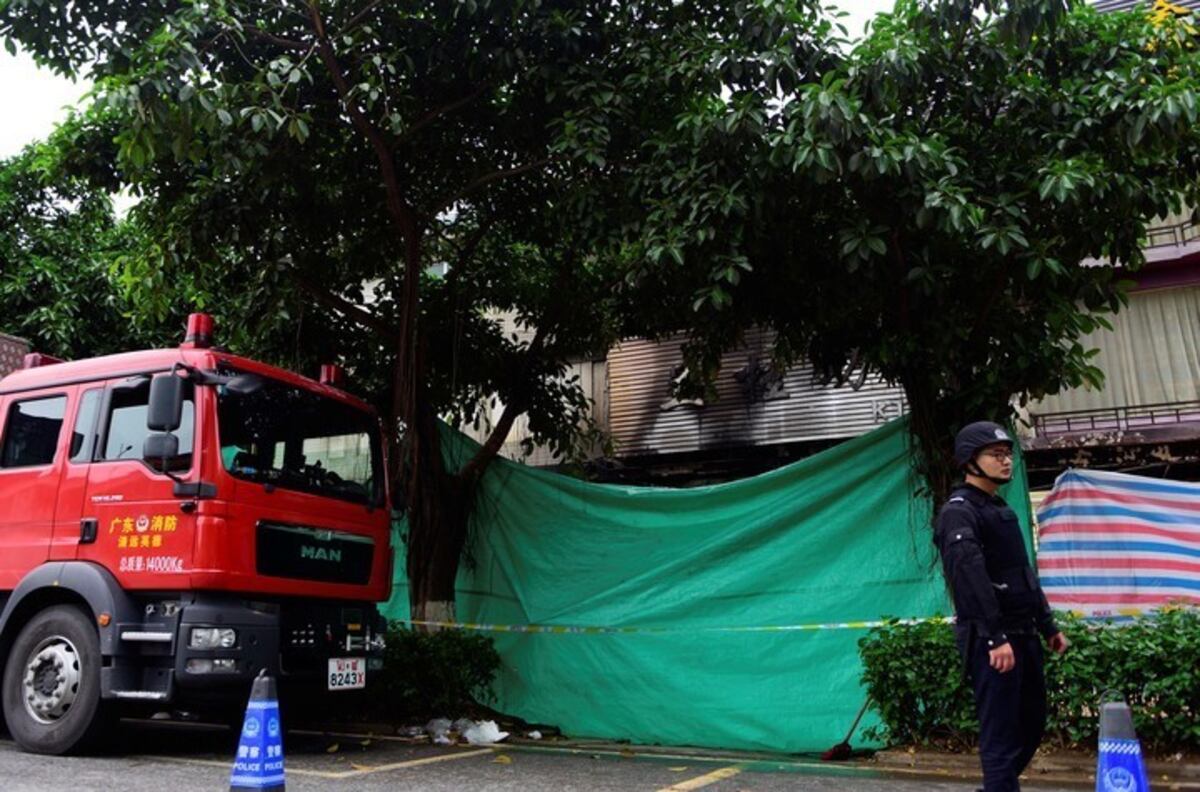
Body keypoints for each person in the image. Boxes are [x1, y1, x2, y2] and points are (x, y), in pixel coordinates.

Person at [934, 421, 1070, 792]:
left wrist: (1048, 625)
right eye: (995, 454)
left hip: (1023, 632)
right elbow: (969, 580)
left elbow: (1022, 572)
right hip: (993, 640)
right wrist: (994, 637)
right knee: (1001, 733)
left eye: (1007, 453)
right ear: (969, 461)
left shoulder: (998, 508)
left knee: (1031, 722)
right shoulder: (958, 513)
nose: (1005, 460)